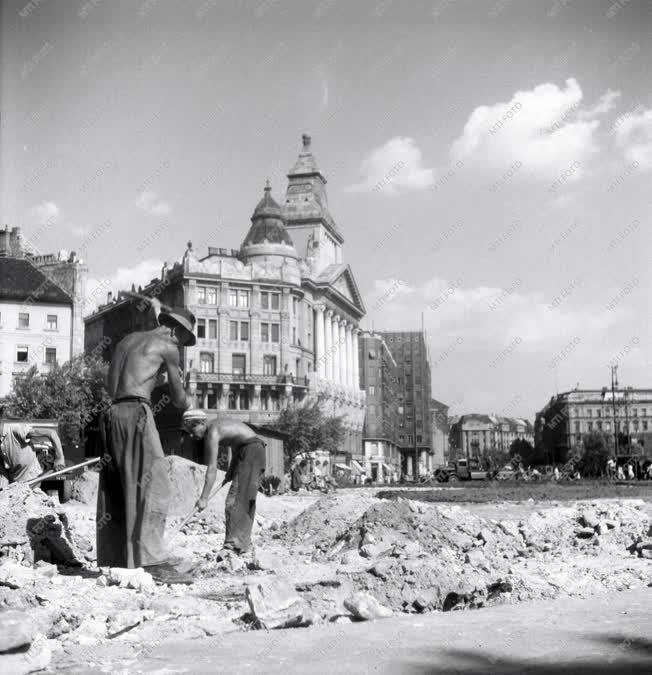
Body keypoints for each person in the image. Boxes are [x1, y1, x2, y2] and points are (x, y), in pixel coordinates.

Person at [97, 299, 196, 584]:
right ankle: (151, 562)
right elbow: (179, 400)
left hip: (111, 412)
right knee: (155, 484)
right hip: (138, 413)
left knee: (118, 485)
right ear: (177, 332)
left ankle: (116, 558)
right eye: (185, 340)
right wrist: (180, 390)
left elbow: (112, 383)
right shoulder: (169, 348)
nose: (183, 345)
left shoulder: (127, 340)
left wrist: (151, 379)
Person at [182, 410, 266, 559]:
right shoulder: (219, 425)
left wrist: (204, 498)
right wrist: (232, 469)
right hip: (251, 450)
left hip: (251, 452)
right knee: (245, 500)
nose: (191, 434)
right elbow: (238, 445)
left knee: (235, 501)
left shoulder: (212, 432)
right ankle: (243, 544)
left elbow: (212, 469)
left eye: (192, 429)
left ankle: (233, 547)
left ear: (201, 423)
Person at [0, 422, 65, 488]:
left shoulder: (16, 429)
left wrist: (59, 458)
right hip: (15, 481)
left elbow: (51, 433)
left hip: (31, 476)